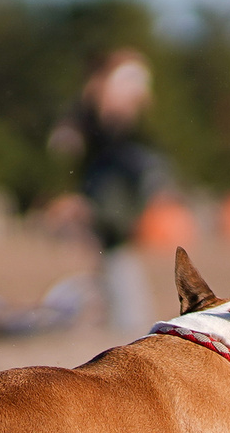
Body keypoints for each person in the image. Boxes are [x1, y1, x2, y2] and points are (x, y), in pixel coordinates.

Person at [48, 49, 170, 332]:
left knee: (115, 246)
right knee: (111, 250)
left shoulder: (124, 115)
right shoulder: (97, 115)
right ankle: (123, 315)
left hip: (116, 184)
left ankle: (128, 318)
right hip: (108, 181)